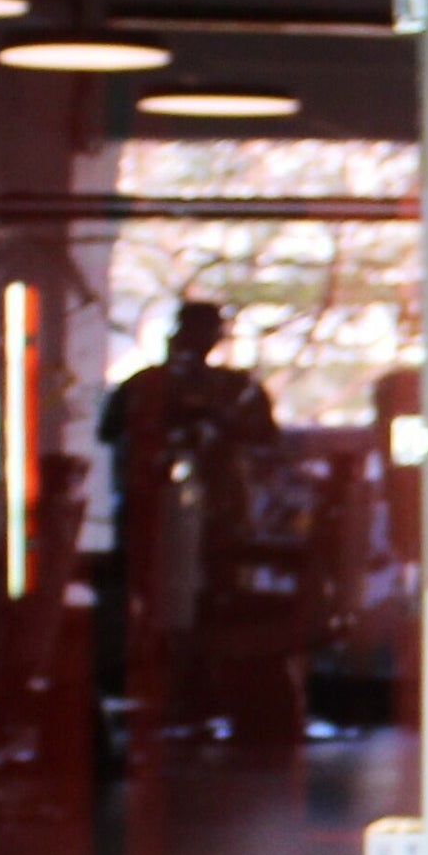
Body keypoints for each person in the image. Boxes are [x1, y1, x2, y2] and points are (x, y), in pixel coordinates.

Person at [101, 302, 283, 739]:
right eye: (192, 332)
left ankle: (210, 691)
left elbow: (267, 438)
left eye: (208, 333)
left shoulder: (236, 388)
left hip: (221, 516)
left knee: (221, 602)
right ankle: (160, 688)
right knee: (152, 600)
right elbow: (110, 432)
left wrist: (221, 422)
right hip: (157, 512)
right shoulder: (146, 384)